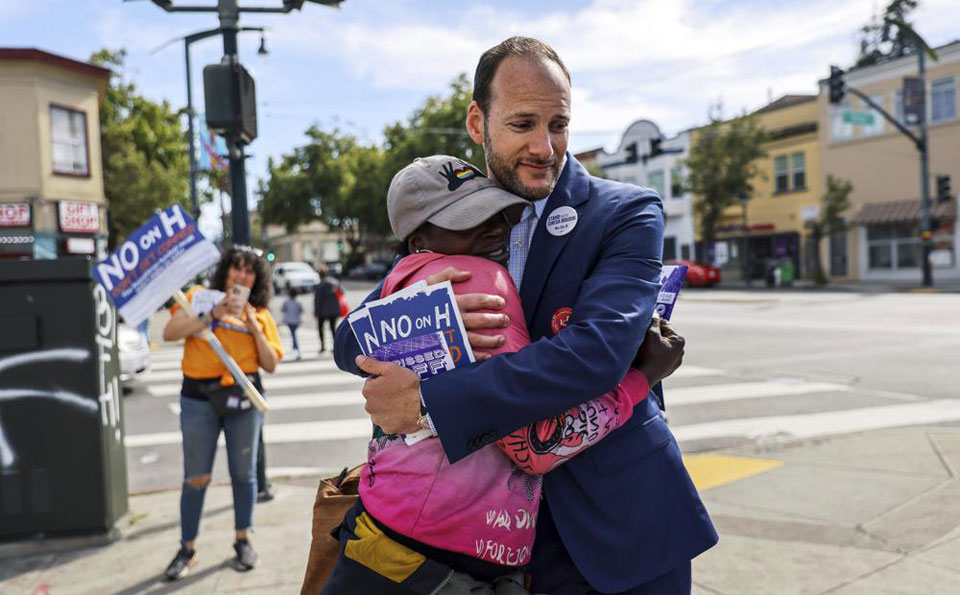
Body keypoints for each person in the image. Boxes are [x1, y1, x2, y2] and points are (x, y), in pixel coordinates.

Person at [336, 37, 717, 594]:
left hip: (621, 524)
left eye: (559, 124)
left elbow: (597, 355)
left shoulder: (627, 211)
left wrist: (427, 404)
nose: (546, 146)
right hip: (498, 544)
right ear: (477, 122)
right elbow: (353, 340)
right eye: (522, 124)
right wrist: (414, 315)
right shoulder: (454, 214)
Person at [322, 156, 684, 593]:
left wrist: (413, 322)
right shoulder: (476, 275)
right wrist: (641, 377)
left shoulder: (413, 275)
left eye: (496, 213)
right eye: (469, 220)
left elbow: (355, 332)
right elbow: (535, 446)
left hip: (404, 531)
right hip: (433, 552)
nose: (494, 228)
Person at [161, 246, 283, 580]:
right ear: (225, 272)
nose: (241, 276)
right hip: (199, 398)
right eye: (236, 269)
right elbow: (169, 333)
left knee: (244, 474)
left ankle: (243, 539)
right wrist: (212, 314)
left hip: (243, 399)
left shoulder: (260, 314)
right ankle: (187, 547)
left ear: (256, 279)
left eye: (248, 271)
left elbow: (271, 364)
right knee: (196, 476)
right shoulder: (198, 297)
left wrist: (253, 325)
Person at [313, 264, 340, 354]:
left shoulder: (320, 286)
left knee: (321, 328)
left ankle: (323, 346)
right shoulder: (335, 282)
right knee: (333, 329)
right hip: (334, 309)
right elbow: (341, 293)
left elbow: (318, 300)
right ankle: (335, 346)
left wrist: (316, 312)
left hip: (322, 311)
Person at [281, 287, 304, 360]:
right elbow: (301, 310)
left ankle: (295, 347)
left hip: (289, 320)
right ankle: (295, 347)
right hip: (296, 320)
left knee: (293, 334)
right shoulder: (298, 302)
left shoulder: (286, 302)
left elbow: (283, 309)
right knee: (293, 333)